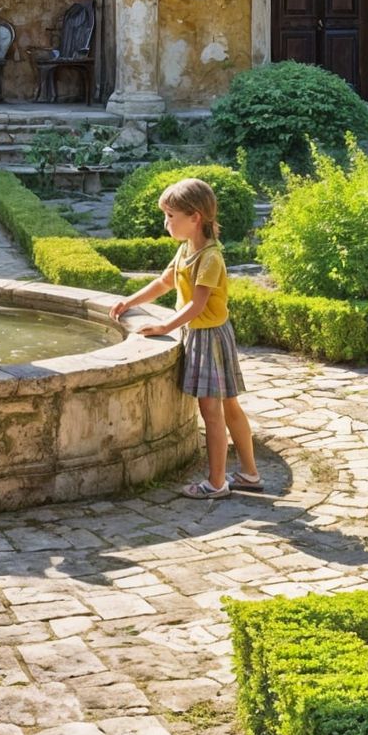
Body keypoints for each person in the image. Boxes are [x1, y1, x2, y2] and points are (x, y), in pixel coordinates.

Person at [111, 176, 265, 499]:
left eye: (170, 216)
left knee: (213, 412)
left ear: (194, 217)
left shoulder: (210, 257)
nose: (165, 222)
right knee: (229, 406)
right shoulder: (186, 251)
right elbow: (164, 283)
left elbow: (197, 305)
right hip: (209, 336)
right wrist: (130, 301)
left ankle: (217, 483)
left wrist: (164, 327)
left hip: (208, 338)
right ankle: (250, 474)